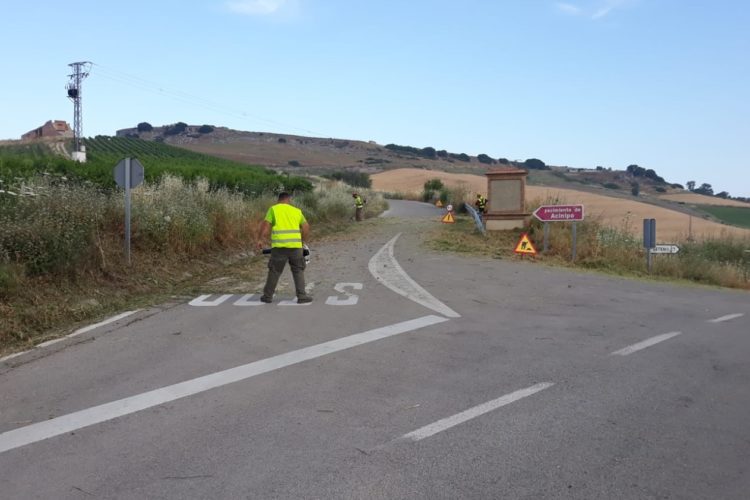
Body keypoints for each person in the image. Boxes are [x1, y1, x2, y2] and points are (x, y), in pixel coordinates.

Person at [256, 192, 312, 304]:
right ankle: (302, 296)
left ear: (279, 199)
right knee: (298, 270)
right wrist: (302, 241)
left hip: (279, 247)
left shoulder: (273, 209)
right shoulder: (296, 211)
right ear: (289, 199)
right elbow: (306, 227)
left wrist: (260, 239)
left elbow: (266, 225)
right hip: (296, 247)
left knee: (275, 271)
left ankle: (267, 296)